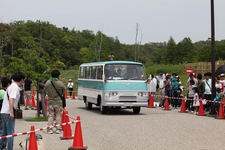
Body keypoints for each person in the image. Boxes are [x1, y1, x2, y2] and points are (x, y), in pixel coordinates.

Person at [0, 72, 25, 150]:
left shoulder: (11, 86)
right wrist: (11, 112)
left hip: (3, 111)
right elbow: (11, 99)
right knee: (10, 133)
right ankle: (10, 148)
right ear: (21, 79)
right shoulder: (15, 87)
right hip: (8, 112)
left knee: (4, 132)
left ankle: (0, 147)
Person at [45, 70, 65, 134]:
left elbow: (45, 90)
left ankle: (49, 129)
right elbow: (63, 91)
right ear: (58, 76)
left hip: (50, 101)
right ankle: (58, 129)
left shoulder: (47, 83)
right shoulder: (60, 83)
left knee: (50, 115)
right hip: (58, 101)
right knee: (58, 115)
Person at [0, 77, 12, 149]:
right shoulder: (5, 93)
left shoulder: (1, 91)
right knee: (4, 130)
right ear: (8, 84)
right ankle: (3, 146)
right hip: (3, 112)